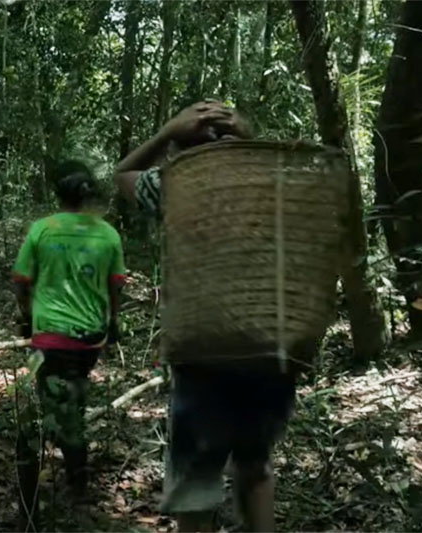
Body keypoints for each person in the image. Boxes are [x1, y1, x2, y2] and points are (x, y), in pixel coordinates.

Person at [114, 101, 295, 532]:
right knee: (255, 466)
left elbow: (121, 176)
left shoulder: (176, 185)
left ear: (182, 149)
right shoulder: (272, 184)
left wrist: (164, 134)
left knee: (195, 479)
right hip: (267, 343)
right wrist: (249, 136)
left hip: (203, 348)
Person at [12, 160, 126, 529]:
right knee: (68, 401)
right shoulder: (108, 234)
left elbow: (21, 280)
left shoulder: (42, 231)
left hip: (49, 338)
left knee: (37, 419)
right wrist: (112, 321)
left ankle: (44, 504)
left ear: (56, 194)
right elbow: (116, 285)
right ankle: (72, 487)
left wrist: (26, 316)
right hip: (90, 340)